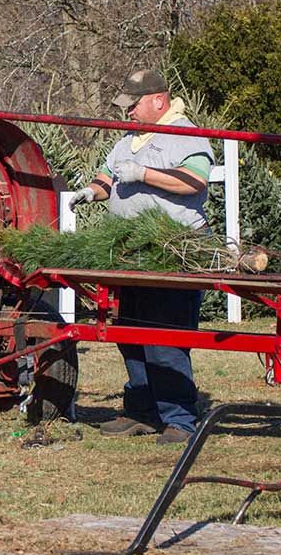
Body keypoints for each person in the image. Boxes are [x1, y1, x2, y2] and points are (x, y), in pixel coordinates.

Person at [69, 69, 214, 445]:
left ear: (158, 101)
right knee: (129, 334)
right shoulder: (127, 141)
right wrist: (91, 191)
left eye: (133, 106)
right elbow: (107, 178)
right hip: (132, 252)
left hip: (173, 251)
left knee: (165, 337)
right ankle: (142, 411)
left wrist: (144, 173)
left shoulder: (185, 134)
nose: (127, 113)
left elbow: (194, 180)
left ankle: (180, 419)